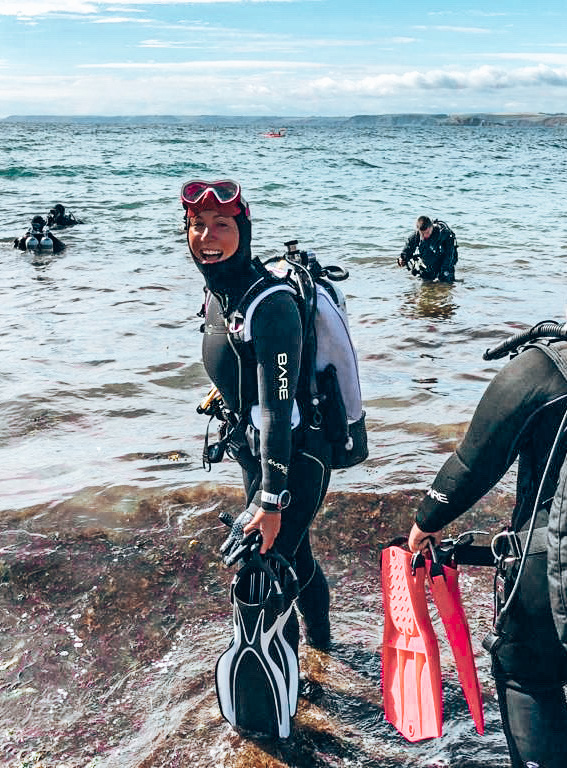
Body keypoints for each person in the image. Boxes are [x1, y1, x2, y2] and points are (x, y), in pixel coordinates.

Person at [182, 179, 333, 652]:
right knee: (297, 557)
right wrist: (224, 394)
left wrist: (270, 503)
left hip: (295, 456)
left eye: (220, 226)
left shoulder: (271, 307)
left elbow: (277, 411)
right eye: (196, 225)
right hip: (256, 454)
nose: (207, 237)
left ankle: (284, 689)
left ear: (242, 231)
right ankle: (323, 652)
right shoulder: (220, 294)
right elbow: (244, 372)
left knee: (264, 572)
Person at [407, 336, 567, 768]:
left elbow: (473, 463)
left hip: (547, 568)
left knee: (529, 680)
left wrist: (426, 522)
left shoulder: (545, 368)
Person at [398, 215, 458, 282]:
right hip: (428, 263)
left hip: (446, 261)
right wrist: (402, 259)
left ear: (432, 227)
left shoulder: (444, 233)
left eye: (427, 232)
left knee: (445, 283)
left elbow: (449, 254)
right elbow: (407, 251)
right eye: (422, 234)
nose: (425, 235)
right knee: (426, 285)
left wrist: (444, 270)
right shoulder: (415, 236)